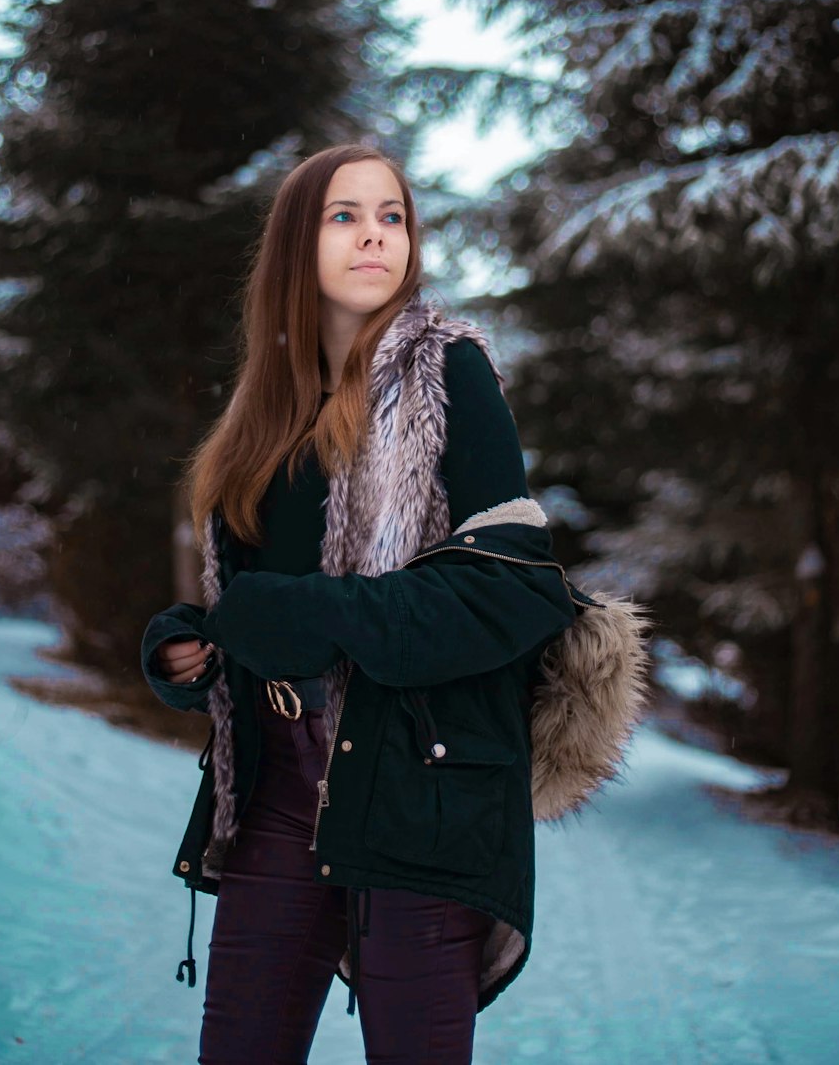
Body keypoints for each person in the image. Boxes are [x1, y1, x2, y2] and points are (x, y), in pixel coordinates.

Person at [141, 143, 649, 1065]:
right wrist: (196, 650)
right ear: (298, 242)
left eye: (392, 217)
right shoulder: (263, 411)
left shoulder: (450, 373)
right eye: (346, 215)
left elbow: (510, 585)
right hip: (276, 789)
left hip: (420, 779)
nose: (376, 235)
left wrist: (319, 614)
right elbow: (253, 607)